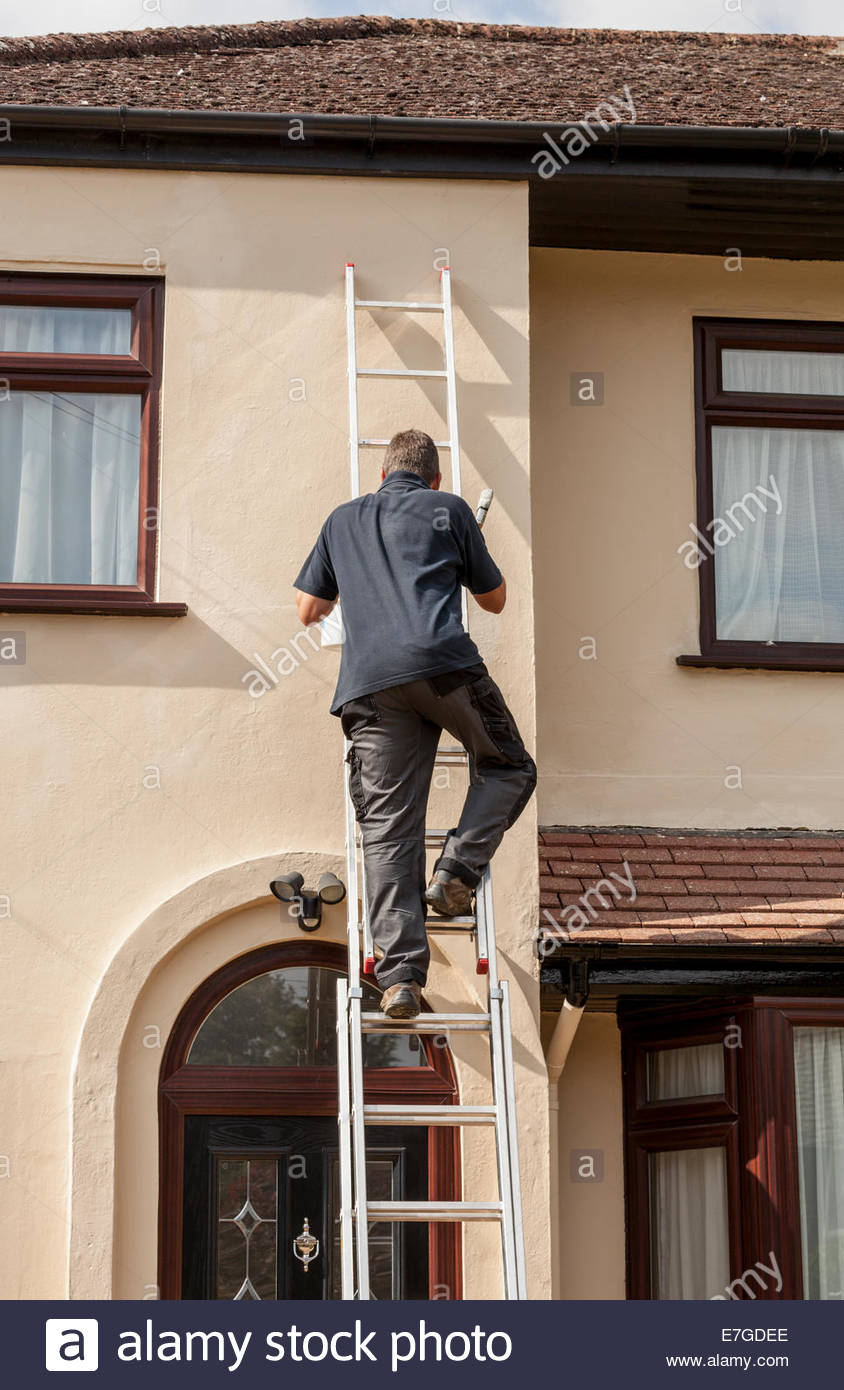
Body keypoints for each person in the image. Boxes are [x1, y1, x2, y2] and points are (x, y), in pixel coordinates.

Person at [291, 429, 536, 1019]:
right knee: (509, 764)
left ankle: (400, 978)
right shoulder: (448, 510)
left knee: (388, 829)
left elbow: (308, 612)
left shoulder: (340, 519)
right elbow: (495, 600)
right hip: (442, 668)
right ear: (435, 480)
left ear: (381, 475)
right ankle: (455, 871)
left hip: (370, 688)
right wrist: (461, 548)